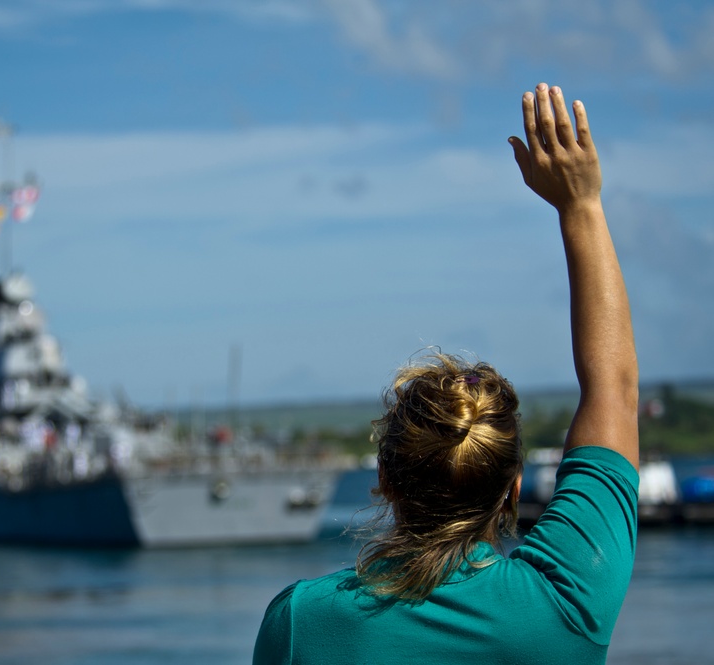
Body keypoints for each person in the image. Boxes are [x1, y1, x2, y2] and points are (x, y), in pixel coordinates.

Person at [253, 83, 639, 664]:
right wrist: (580, 205)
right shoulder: (566, 603)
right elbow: (614, 390)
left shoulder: (303, 622)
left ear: (384, 477)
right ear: (512, 489)